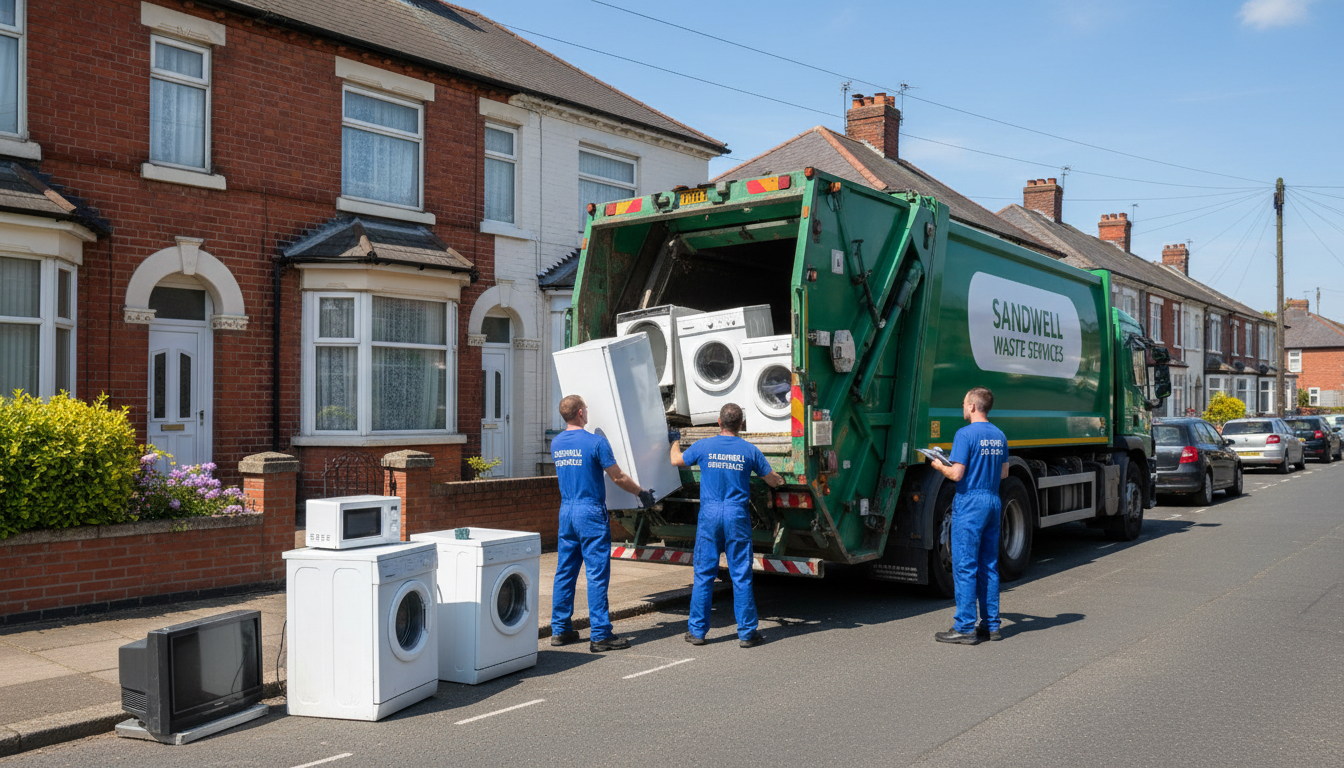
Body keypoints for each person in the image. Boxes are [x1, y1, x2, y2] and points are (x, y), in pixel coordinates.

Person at [671, 403, 784, 648]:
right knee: (740, 575)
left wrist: (673, 440)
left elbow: (676, 461)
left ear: (719, 423)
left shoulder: (703, 446)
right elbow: (772, 480)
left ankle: (697, 632)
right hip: (736, 516)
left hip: (710, 515)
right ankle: (746, 633)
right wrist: (781, 480)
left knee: (703, 575)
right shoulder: (749, 450)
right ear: (741, 425)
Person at [550, 394, 653, 653]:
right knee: (596, 574)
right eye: (585, 408)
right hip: (590, 512)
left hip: (567, 512)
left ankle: (560, 630)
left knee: (565, 572)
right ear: (581, 413)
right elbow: (617, 477)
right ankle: (600, 635)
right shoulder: (596, 443)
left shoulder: (556, 443)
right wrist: (641, 493)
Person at [929, 386, 1008, 645]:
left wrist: (939, 465)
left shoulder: (964, 434)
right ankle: (991, 625)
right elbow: (1004, 473)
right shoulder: (999, 435)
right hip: (993, 500)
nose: (963, 408)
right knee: (989, 564)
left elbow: (957, 474)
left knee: (964, 566)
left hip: (970, 502)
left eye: (964, 404)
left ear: (973, 406)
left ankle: (964, 627)